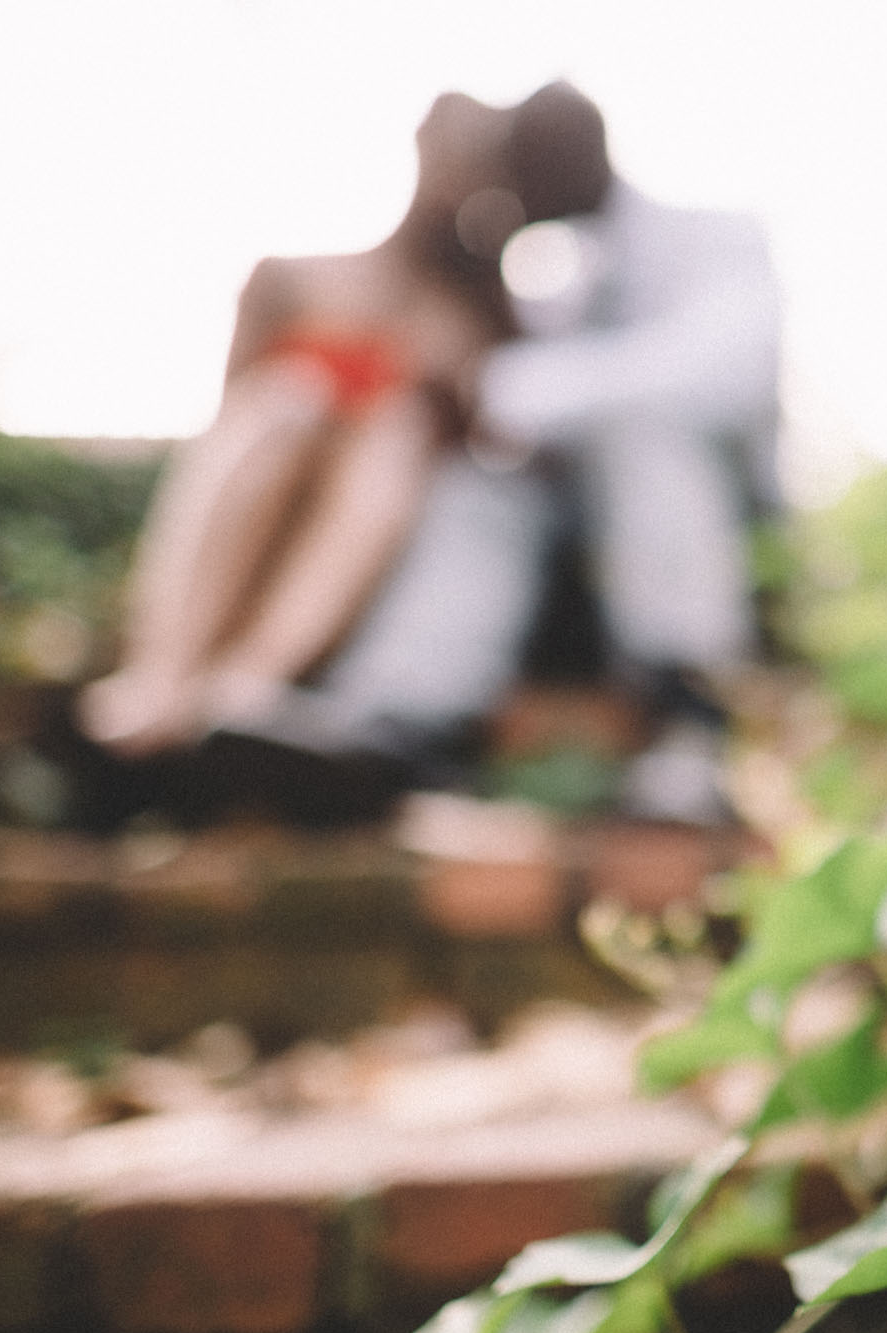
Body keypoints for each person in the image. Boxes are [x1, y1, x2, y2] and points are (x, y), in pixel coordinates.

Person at [213, 81, 782, 822]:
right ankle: (395, 724)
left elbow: (725, 373)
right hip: (570, 573)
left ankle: (690, 722)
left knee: (643, 432)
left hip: (714, 553)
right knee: (479, 489)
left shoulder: (712, 236)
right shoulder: (559, 283)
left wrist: (512, 389)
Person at [77, 92, 536, 763]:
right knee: (289, 399)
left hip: (363, 555)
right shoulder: (299, 277)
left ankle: (251, 681)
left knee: (394, 436)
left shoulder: (479, 321)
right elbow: (227, 422)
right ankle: (163, 669)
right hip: (267, 511)